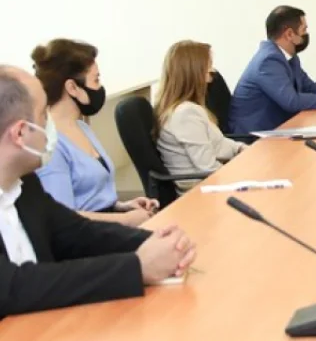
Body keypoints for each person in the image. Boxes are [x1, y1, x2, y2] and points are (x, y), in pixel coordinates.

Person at [0, 66, 197, 317]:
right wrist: (137, 267)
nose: (50, 125)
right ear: (20, 133)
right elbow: (15, 287)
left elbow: (77, 233)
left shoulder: (25, 185)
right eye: (42, 116)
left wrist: (154, 242)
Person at [31, 40, 157, 226]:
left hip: (104, 228)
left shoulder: (82, 128)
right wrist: (124, 220)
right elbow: (62, 218)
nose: (99, 88)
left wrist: (122, 206)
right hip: (87, 236)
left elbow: (91, 198)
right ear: (72, 88)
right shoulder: (52, 145)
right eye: (96, 80)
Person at [228, 6, 316, 134]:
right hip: (252, 136)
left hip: (277, 128)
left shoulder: (288, 57)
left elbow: (308, 86)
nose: (306, 34)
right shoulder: (268, 61)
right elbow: (292, 102)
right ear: (289, 34)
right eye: (304, 30)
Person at [155, 41, 246, 189]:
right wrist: (246, 175)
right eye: (208, 68)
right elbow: (209, 168)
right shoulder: (184, 114)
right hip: (202, 191)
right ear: (193, 73)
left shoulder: (188, 109)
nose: (211, 75)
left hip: (211, 183)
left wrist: (240, 148)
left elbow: (218, 143)